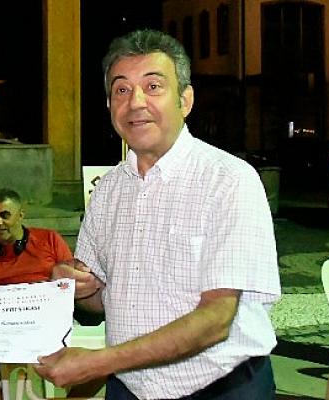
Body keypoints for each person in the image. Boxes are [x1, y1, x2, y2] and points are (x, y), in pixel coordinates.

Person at [34, 29, 281, 399]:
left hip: (219, 388)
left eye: (153, 86)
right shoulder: (108, 190)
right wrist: (73, 287)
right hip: (130, 388)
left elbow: (216, 319)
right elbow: (99, 302)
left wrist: (99, 362)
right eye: (121, 89)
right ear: (109, 106)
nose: (135, 102)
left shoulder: (229, 181)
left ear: (185, 100)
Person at [0, 188, 81, 400]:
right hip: (4, 328)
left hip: (48, 322)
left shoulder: (50, 240)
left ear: (21, 215)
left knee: (99, 361)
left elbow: (69, 284)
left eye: (4, 215)